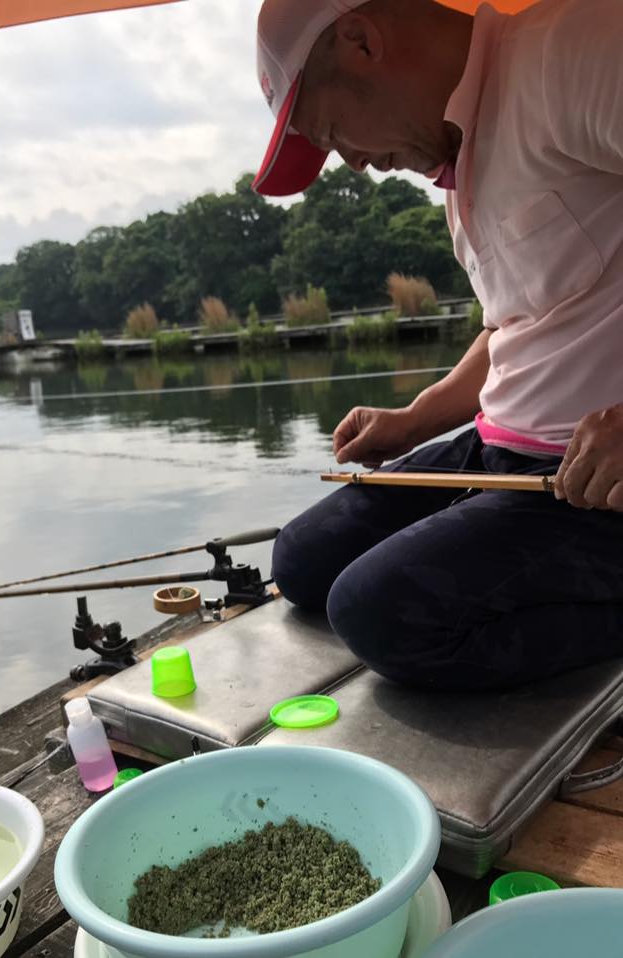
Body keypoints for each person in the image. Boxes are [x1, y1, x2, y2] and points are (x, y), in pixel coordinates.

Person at [251, 0, 623, 690]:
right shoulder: (460, 158)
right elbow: (513, 322)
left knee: (379, 614)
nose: (353, 165)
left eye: (333, 133)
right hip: (497, 450)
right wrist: (415, 419)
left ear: (361, 42)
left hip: (595, 484)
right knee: (302, 560)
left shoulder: (578, 50)